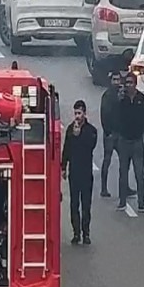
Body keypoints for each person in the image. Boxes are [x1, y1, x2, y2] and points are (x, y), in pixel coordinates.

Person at [61, 99, 98, 244]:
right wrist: (63, 166)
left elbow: (91, 145)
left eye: (79, 113)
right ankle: (76, 233)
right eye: (75, 113)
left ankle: (86, 232)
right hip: (74, 173)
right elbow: (67, 148)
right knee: (74, 204)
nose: (77, 116)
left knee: (86, 205)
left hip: (86, 173)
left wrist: (80, 135)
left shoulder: (91, 130)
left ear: (84, 113)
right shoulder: (70, 129)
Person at [115, 73, 144, 213]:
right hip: (124, 140)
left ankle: (141, 203)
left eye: (131, 82)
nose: (129, 85)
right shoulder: (121, 100)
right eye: (127, 82)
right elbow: (116, 117)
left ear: (135, 84)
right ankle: (122, 202)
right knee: (123, 172)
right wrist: (118, 101)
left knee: (139, 174)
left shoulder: (142, 99)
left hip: (137, 141)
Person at [99, 70, 125, 197]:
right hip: (110, 134)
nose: (116, 82)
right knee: (107, 160)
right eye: (114, 80)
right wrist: (107, 131)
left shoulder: (122, 95)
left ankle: (125, 187)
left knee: (124, 161)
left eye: (118, 80)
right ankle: (103, 188)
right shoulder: (107, 96)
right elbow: (105, 114)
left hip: (120, 133)